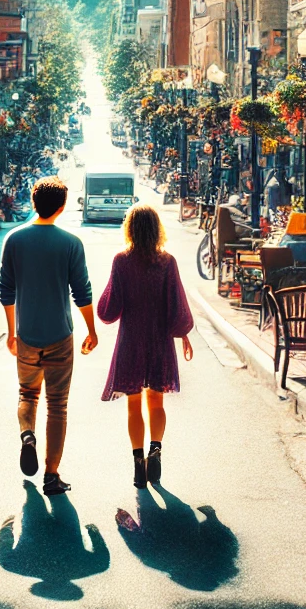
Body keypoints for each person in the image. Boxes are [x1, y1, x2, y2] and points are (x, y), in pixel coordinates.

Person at [0, 176, 97, 497]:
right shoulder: (71, 244)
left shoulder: (14, 239)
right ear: (62, 207)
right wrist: (91, 331)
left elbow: (6, 290)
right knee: (58, 407)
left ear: (33, 202)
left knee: (27, 394)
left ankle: (28, 435)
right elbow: (82, 292)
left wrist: (12, 332)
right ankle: (52, 476)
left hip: (27, 335)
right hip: (60, 336)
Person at [96, 204, 193, 489]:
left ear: (130, 229)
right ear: (156, 230)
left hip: (131, 341)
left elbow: (109, 310)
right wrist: (183, 334)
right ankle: (156, 451)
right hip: (160, 340)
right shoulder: (167, 262)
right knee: (156, 401)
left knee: (134, 403)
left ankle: (138, 463)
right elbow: (176, 306)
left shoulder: (121, 261)